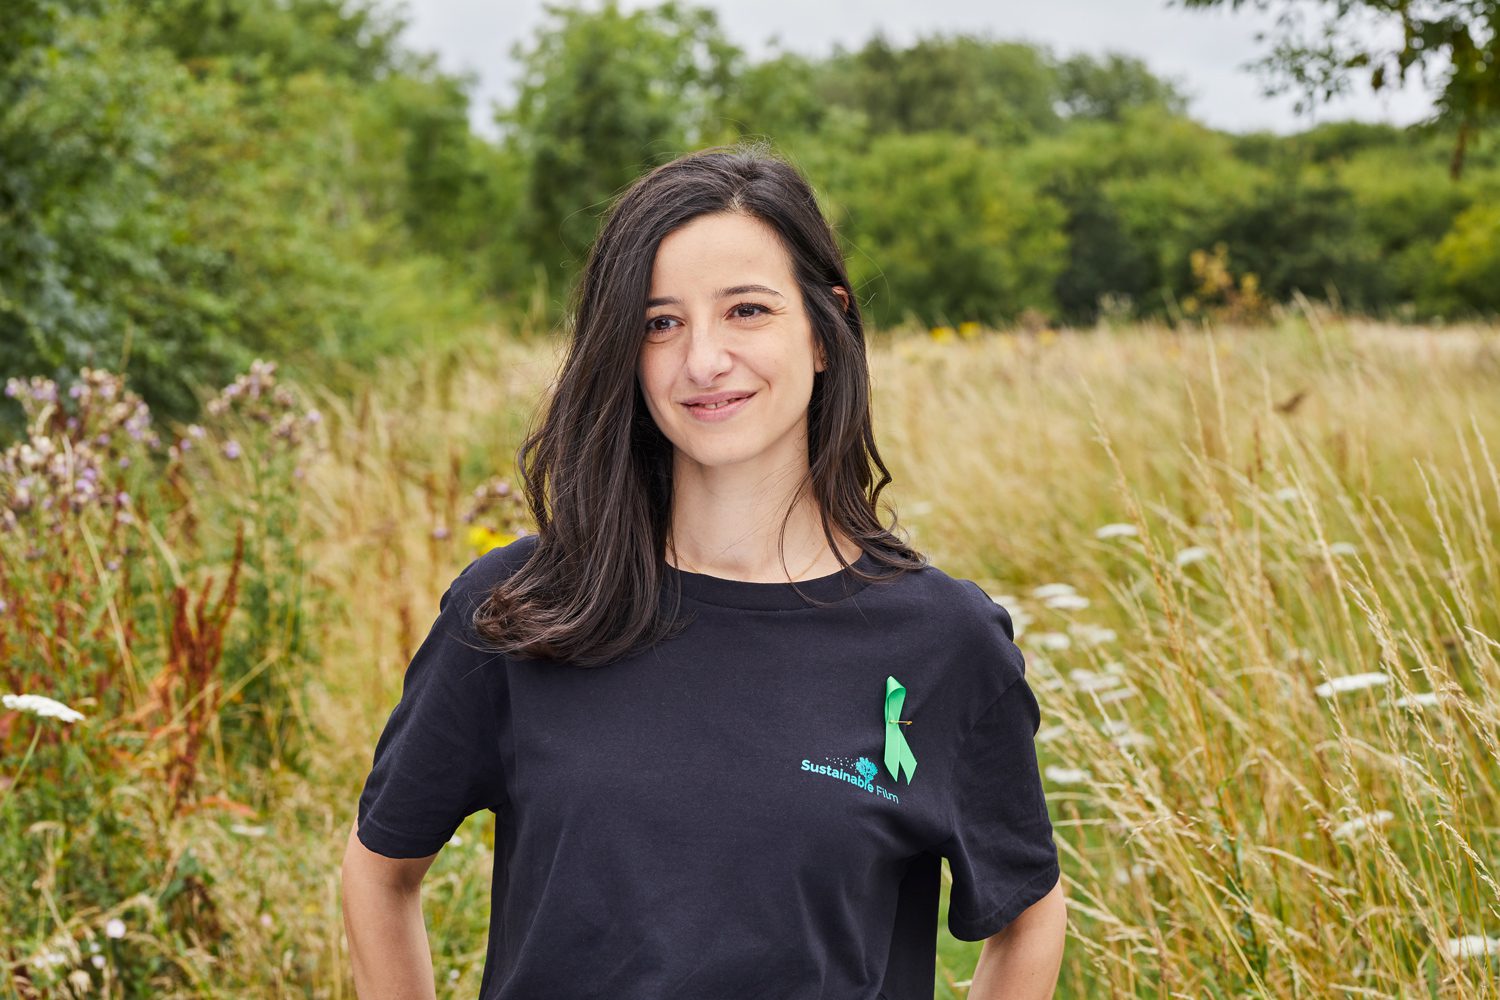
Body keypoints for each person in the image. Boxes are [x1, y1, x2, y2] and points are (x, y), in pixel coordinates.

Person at [341, 141, 1066, 1000]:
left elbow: (1027, 913)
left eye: (747, 311)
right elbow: (380, 874)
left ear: (826, 329)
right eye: (660, 322)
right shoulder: (522, 607)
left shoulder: (941, 639)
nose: (703, 361)